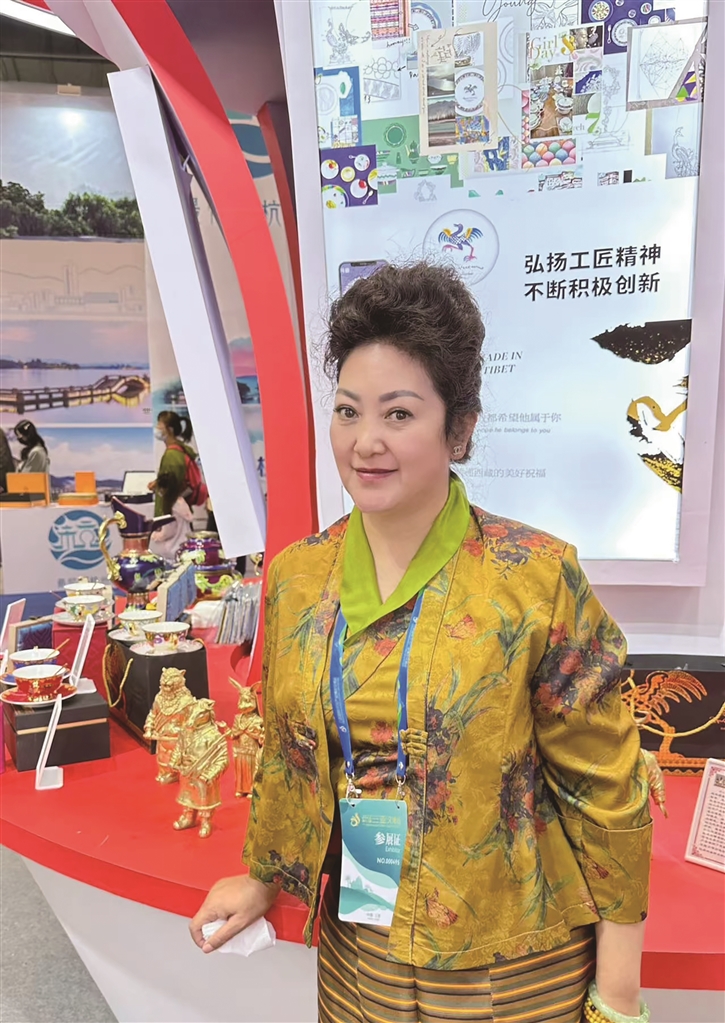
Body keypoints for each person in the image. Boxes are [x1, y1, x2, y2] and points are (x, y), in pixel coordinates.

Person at [190, 264, 654, 1023]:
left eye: (399, 413)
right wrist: (263, 876)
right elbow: (289, 752)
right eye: (347, 411)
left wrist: (618, 989)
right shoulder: (299, 577)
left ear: (458, 429)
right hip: (357, 951)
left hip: (508, 964)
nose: (365, 441)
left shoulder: (532, 578)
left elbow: (605, 786)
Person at [150, 410, 207, 516]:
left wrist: (163, 515)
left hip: (173, 514)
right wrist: (158, 482)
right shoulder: (182, 450)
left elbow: (171, 488)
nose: (157, 428)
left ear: (170, 429)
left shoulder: (172, 455)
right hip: (181, 510)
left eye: (160, 425)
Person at [149, 471, 193, 562]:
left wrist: (153, 535)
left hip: (171, 551)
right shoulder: (181, 502)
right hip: (184, 547)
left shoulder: (171, 507)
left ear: (163, 489)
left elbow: (167, 533)